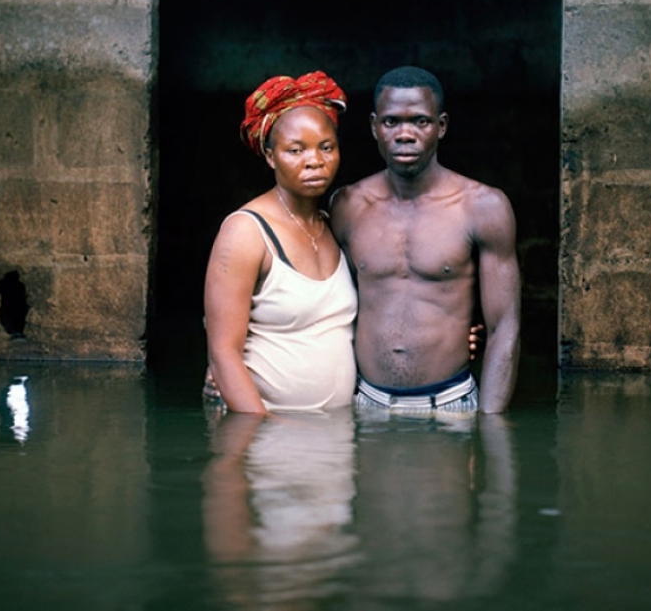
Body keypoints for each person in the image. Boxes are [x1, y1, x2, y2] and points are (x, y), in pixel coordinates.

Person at [330, 66, 520, 415]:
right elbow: (322, 309)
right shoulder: (347, 207)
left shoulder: (483, 207)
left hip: (452, 405)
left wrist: (490, 429)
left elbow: (504, 326)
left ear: (441, 126)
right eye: (391, 122)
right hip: (366, 405)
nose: (405, 134)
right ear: (374, 126)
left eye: (420, 121)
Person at [203, 71, 358, 414]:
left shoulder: (336, 226)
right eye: (295, 150)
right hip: (267, 439)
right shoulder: (246, 232)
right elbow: (223, 354)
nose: (314, 161)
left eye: (326, 147)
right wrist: (259, 434)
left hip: (335, 442)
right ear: (271, 157)